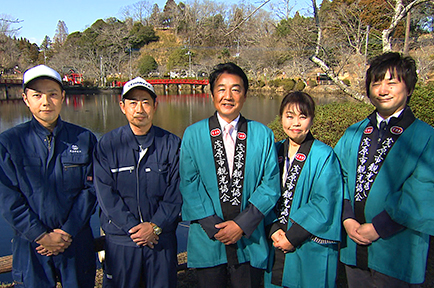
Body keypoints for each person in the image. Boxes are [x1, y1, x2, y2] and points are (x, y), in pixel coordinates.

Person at [335, 52, 434, 287]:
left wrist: (379, 227)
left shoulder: (426, 136)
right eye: (376, 83)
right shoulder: (354, 132)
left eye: (392, 82)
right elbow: (336, 175)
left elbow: (424, 190)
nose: (382, 90)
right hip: (353, 244)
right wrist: (347, 217)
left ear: (408, 88)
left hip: (397, 251)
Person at [179, 62, 281, 288]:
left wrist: (241, 224)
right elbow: (189, 183)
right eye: (221, 88)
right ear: (211, 94)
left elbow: (270, 183)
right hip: (209, 239)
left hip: (249, 237)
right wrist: (215, 227)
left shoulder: (262, 134)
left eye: (235, 89)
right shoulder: (193, 134)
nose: (228, 96)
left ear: (245, 95)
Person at [0, 64, 97, 287]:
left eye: (52, 94)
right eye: (37, 95)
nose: (45, 102)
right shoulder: (9, 143)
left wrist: (67, 231)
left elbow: (92, 189)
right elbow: (7, 197)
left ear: (63, 96)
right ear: (25, 99)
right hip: (31, 244)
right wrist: (40, 235)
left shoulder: (84, 138)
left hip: (75, 239)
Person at [93, 77, 182, 288]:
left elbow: (177, 192)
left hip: (160, 239)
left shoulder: (171, 144)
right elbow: (105, 195)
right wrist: (133, 227)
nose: (139, 108)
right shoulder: (107, 145)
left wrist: (155, 226)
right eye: (133, 102)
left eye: (145, 102)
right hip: (122, 240)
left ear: (155, 106)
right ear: (122, 106)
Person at [264, 91, 343, 288]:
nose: (295, 123)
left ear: (312, 119)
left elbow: (325, 201)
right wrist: (273, 228)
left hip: (305, 241)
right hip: (274, 238)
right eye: (289, 116)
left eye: (303, 116)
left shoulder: (324, 155)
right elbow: (260, 190)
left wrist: (292, 237)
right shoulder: (273, 150)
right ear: (281, 117)